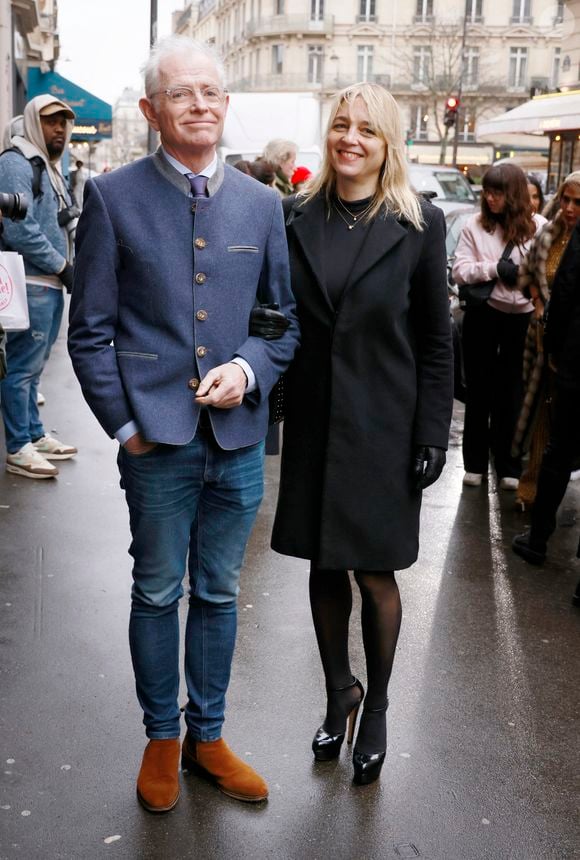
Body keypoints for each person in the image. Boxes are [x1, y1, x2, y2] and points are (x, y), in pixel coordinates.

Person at [68, 36, 299, 813]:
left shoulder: (265, 205)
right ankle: (162, 736)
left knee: (222, 593)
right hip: (156, 443)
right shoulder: (112, 197)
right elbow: (89, 330)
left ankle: (209, 737)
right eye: (181, 93)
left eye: (211, 91)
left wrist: (249, 371)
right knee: (158, 590)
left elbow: (280, 322)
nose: (200, 103)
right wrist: (126, 424)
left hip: (236, 445)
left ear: (225, 104)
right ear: (150, 110)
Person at [271, 82, 453, 786]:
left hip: (385, 425)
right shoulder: (295, 215)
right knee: (323, 564)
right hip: (318, 420)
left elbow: (437, 343)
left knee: (374, 571)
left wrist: (432, 431)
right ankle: (337, 690)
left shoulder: (418, 223)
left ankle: (375, 707)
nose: (351, 138)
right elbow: (277, 316)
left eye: (367, 130)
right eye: (341, 126)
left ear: (388, 144)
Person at [452, 164, 546, 490]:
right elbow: (460, 271)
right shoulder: (474, 225)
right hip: (484, 315)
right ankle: (474, 463)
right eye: (487, 192)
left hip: (522, 319)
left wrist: (522, 278)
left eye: (498, 192)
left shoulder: (539, 228)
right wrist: (494, 268)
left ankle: (508, 465)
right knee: (479, 390)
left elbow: (545, 275)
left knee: (511, 393)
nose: (490, 198)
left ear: (514, 194)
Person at [0, 95, 78, 479]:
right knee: (20, 368)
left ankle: (32, 433)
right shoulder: (17, 163)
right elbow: (19, 227)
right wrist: (62, 265)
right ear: (33, 122)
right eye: (51, 122)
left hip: (46, 280)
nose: (59, 129)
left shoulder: (44, 165)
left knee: (33, 368)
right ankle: (18, 447)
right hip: (29, 279)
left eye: (64, 122)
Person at [512, 219, 580, 567]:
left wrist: (553, 348)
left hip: (574, 359)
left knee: (559, 450)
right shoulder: (558, 232)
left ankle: (538, 539)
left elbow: (566, 289)